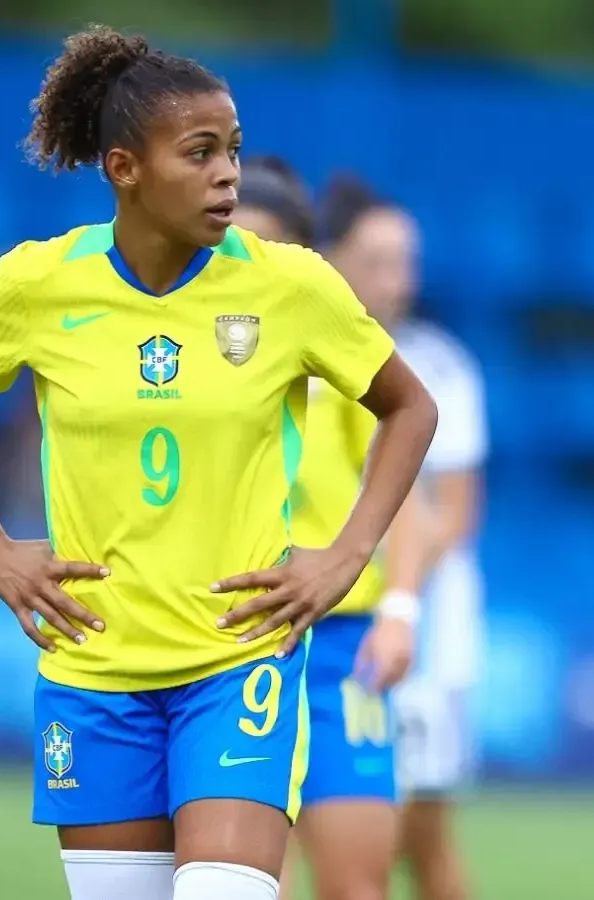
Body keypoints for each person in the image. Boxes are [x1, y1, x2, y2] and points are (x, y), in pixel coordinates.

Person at [0, 27, 439, 900]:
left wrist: (345, 558)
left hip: (237, 661)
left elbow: (410, 406)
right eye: (200, 153)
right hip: (94, 668)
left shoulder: (291, 286)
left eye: (232, 149)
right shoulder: (38, 285)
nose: (228, 174)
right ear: (124, 168)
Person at [234, 158, 417, 900]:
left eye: (266, 246)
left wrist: (400, 609)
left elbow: (403, 494)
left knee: (357, 885)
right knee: (247, 883)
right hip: (237, 642)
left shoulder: (338, 355)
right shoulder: (172, 364)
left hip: (342, 647)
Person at [318, 175, 489, 900]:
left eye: (406, 262)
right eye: (380, 261)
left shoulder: (440, 366)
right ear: (330, 258)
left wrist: (387, 586)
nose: (400, 280)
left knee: (420, 835)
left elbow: (454, 513)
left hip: (419, 628)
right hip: (328, 625)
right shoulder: (298, 355)